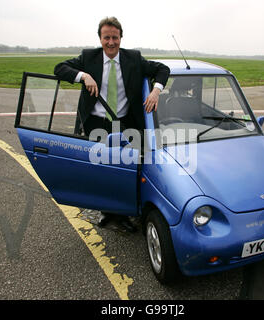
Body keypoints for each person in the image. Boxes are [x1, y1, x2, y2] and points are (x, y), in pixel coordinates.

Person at [54, 17, 170, 232]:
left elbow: (163, 69)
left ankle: (129, 207)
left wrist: (156, 90)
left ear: (120, 38)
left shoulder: (133, 58)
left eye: (114, 37)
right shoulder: (88, 57)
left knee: (129, 167)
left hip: (126, 122)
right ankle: (111, 214)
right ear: (100, 38)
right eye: (106, 37)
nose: (110, 42)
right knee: (104, 170)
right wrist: (83, 76)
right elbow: (59, 68)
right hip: (97, 123)